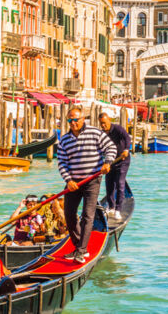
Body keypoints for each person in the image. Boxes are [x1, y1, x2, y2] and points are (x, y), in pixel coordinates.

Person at [56, 106, 116, 264]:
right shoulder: (64, 140)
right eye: (70, 120)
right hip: (73, 183)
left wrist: (108, 162)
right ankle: (78, 247)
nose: (73, 123)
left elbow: (111, 147)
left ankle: (81, 251)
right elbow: (61, 162)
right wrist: (68, 180)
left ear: (83, 119)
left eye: (75, 119)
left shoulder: (95, 133)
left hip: (92, 180)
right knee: (69, 214)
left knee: (87, 215)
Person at [98, 113, 133, 221]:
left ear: (109, 120)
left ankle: (118, 210)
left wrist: (126, 149)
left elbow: (127, 138)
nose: (103, 125)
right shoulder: (102, 133)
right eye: (101, 124)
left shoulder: (117, 129)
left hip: (123, 160)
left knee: (120, 184)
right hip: (110, 162)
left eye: (104, 123)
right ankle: (111, 207)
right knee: (109, 185)